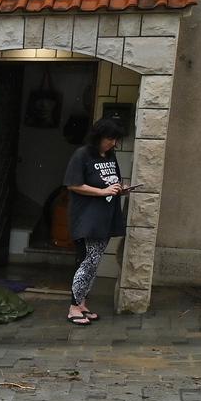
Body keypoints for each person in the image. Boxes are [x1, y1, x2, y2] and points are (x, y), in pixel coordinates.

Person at [62, 117, 129, 325]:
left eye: (116, 140)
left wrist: (120, 188)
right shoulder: (82, 155)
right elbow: (73, 184)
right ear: (98, 136)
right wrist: (102, 191)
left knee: (94, 262)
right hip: (86, 219)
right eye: (110, 138)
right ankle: (73, 307)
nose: (113, 143)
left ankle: (82, 304)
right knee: (86, 261)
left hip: (106, 218)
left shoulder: (110, 156)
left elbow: (113, 181)